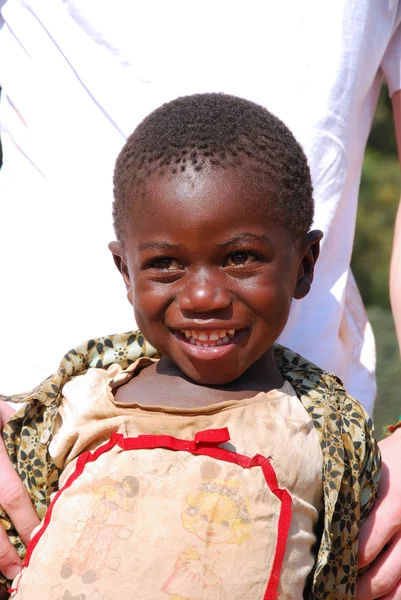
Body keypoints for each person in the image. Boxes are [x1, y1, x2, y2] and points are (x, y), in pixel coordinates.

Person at [1, 2, 401, 598]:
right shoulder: (70, 406)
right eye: (166, 264)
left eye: (240, 258)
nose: (205, 295)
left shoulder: (328, 432)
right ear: (124, 270)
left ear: (303, 265)